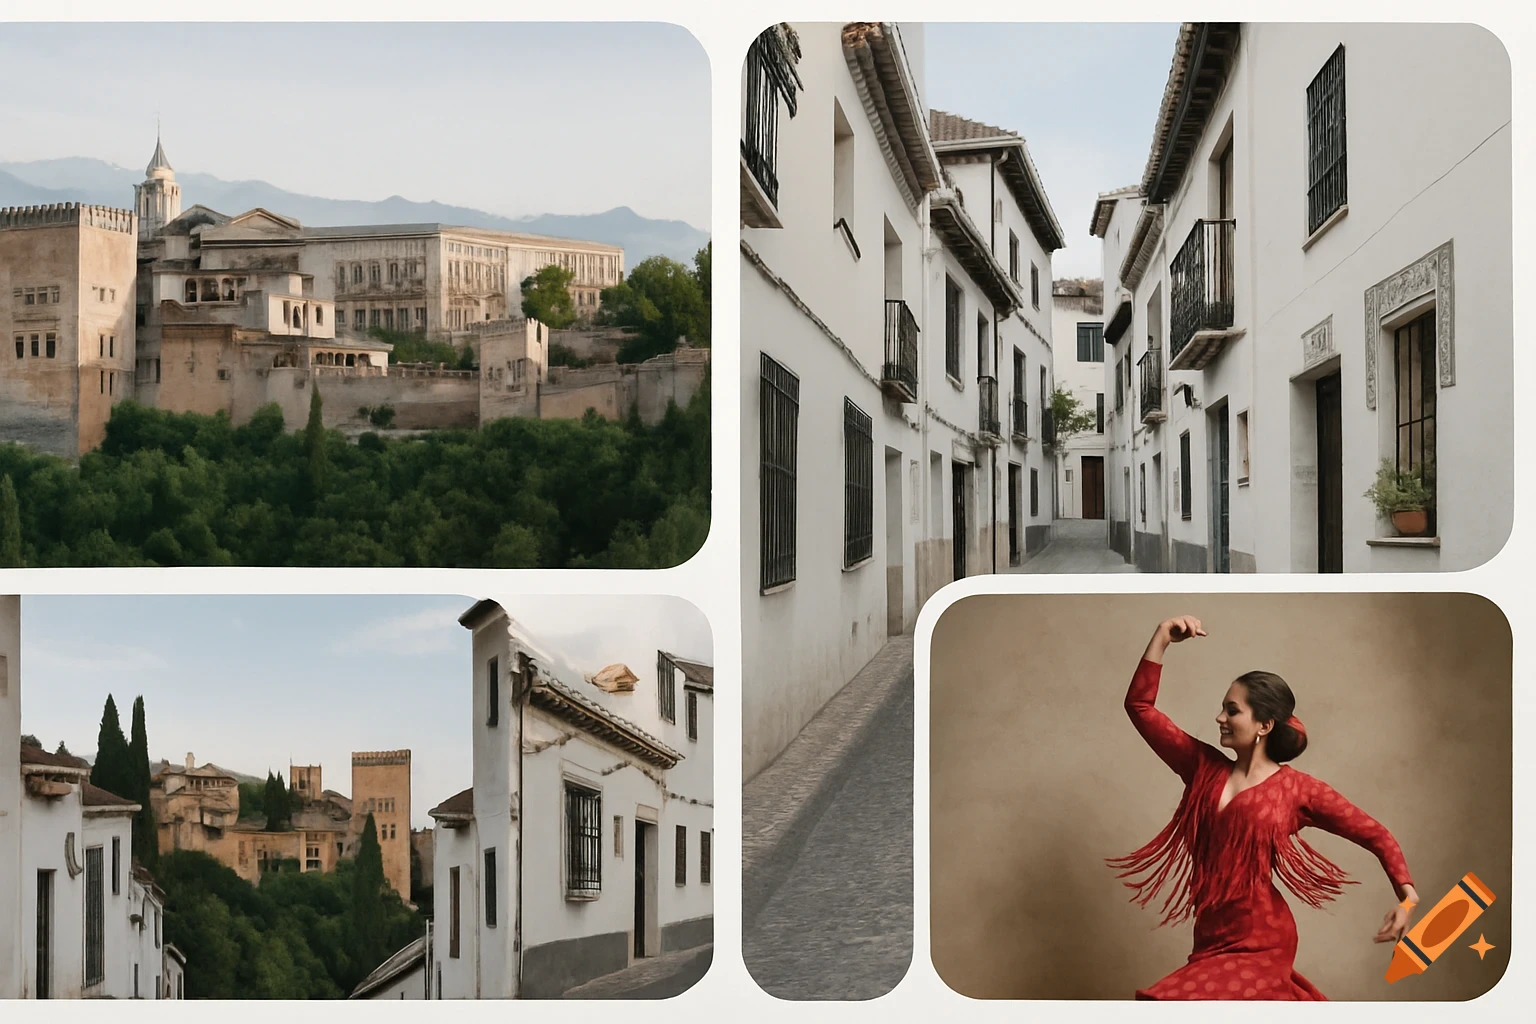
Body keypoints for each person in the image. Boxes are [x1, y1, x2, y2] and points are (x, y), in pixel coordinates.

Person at [1107, 615, 1418, 1000]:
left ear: (1264, 726)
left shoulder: (1298, 790)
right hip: (1210, 936)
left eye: (1232, 710)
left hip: (1262, 938)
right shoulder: (1201, 766)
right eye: (1223, 708)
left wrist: (1407, 897)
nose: (1220, 717)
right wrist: (1161, 639)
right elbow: (1140, 707)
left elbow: (1375, 834)